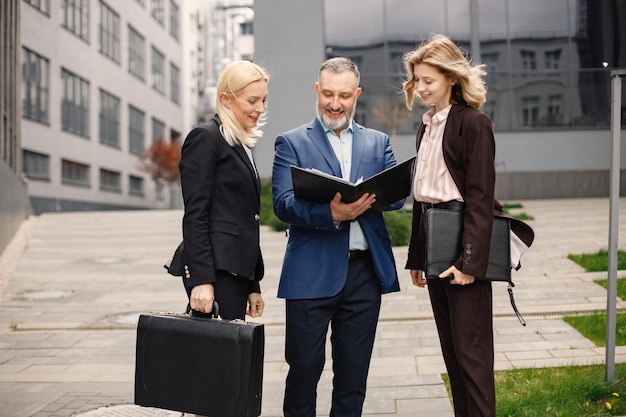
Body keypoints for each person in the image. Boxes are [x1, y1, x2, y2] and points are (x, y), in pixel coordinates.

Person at [272, 57, 405, 417]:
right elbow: (282, 204)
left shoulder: (378, 143)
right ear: (317, 91)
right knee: (304, 370)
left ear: (356, 94)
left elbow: (398, 196)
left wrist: (379, 194)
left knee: (352, 377)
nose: (335, 103)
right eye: (328, 94)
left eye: (344, 95)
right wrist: (329, 214)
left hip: (364, 276)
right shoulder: (291, 142)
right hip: (310, 273)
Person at [402, 34, 499, 417]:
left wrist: (470, 264)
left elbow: (480, 199)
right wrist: (416, 257)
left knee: (471, 352)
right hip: (433, 240)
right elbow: (421, 196)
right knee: (452, 351)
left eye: (428, 80)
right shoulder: (426, 126)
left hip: (462, 245)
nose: (420, 88)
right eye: (416, 81)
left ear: (452, 78)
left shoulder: (474, 124)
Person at [177, 60, 268, 321]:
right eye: (252, 101)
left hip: (236, 274)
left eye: (263, 100)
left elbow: (244, 218)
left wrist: (253, 285)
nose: (260, 109)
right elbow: (195, 215)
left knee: (230, 359)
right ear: (226, 99)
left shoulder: (239, 144)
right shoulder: (206, 138)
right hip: (216, 273)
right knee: (217, 359)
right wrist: (201, 280)